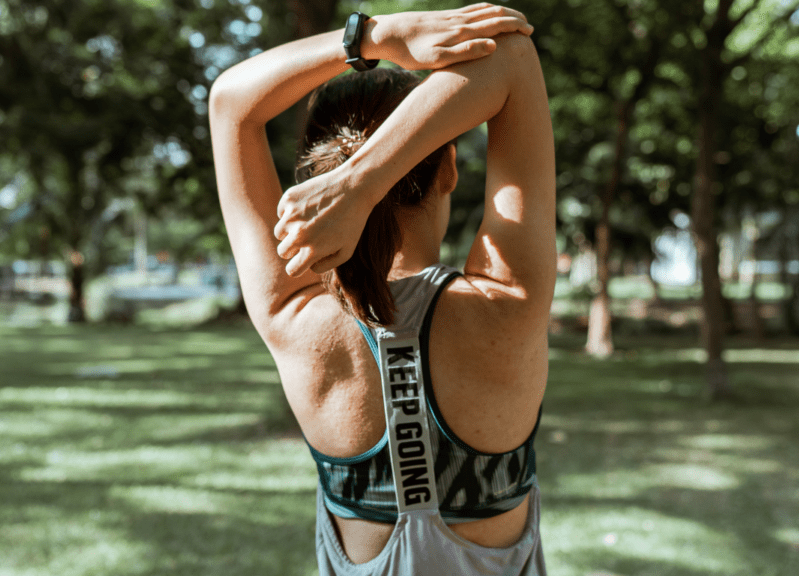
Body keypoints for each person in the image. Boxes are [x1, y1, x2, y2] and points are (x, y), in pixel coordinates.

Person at [208, 4, 555, 574]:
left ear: (313, 176)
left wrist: (374, 36)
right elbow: (513, 56)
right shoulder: (508, 300)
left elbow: (230, 104)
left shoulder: (293, 318)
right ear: (448, 169)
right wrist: (361, 184)